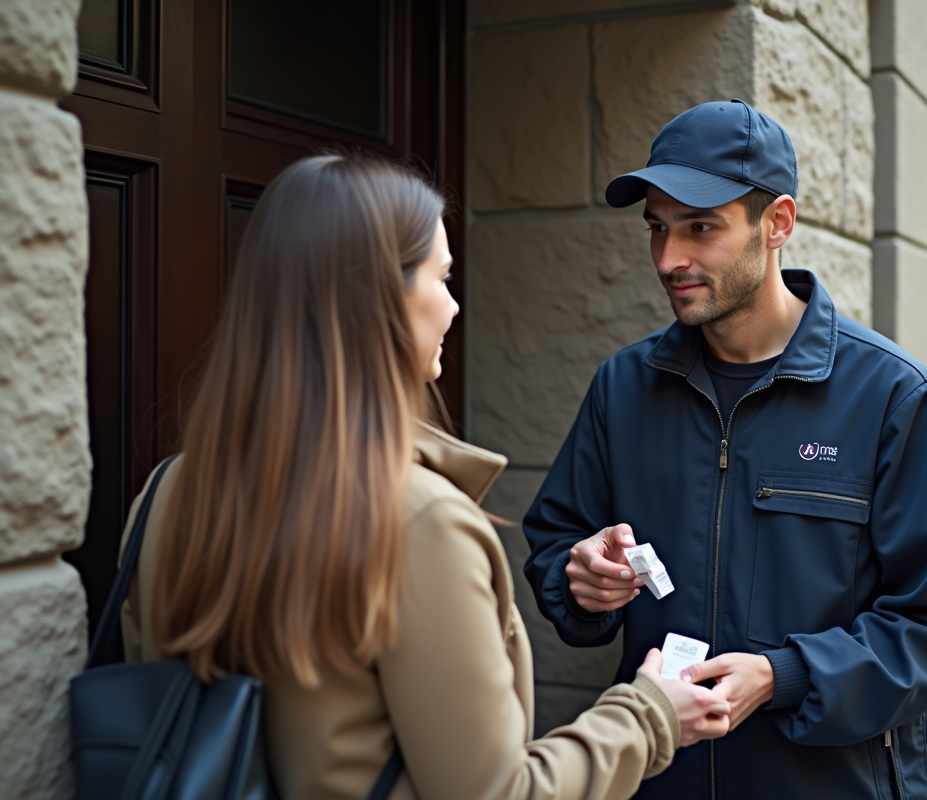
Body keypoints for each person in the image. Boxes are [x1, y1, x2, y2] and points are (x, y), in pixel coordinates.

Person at [119, 153, 732, 800]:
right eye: (440, 277)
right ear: (375, 294)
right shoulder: (422, 522)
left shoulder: (166, 493)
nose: (454, 305)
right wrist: (650, 714)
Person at [523, 100, 927, 799]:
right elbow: (557, 543)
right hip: (661, 780)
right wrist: (579, 579)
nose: (669, 258)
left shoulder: (895, 396)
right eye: (658, 227)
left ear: (777, 225)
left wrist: (786, 676)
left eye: (700, 227)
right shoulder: (623, 387)